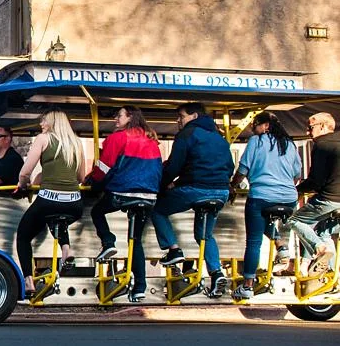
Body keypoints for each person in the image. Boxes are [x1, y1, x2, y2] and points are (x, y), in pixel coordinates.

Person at [150, 102, 234, 297]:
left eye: (181, 116)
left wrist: (162, 185)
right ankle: (216, 273)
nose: (178, 120)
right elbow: (230, 167)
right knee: (205, 235)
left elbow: (174, 166)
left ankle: (174, 250)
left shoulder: (186, 134)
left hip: (195, 189)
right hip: (220, 192)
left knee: (158, 209)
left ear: (194, 116)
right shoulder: (219, 137)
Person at [84, 106, 162, 302]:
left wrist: (94, 184)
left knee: (97, 211)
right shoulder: (151, 140)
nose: (115, 119)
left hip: (123, 191)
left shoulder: (117, 138)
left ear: (130, 117)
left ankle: (108, 242)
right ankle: (140, 287)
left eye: (119, 115)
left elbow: (104, 167)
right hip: (149, 195)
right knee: (135, 241)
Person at [229, 112, 302, 298]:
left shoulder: (256, 141)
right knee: (263, 220)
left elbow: (243, 169)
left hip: (262, 196)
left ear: (266, 125)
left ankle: (247, 286)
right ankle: (281, 245)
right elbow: (297, 175)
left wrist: (232, 186)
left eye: (255, 125)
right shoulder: (290, 144)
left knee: (254, 241)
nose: (252, 129)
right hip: (289, 198)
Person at [15, 109, 86, 296]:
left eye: (44, 120)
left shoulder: (43, 139)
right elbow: (81, 177)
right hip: (75, 203)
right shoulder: (76, 142)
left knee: (23, 236)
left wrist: (23, 185)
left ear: (53, 122)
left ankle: (28, 281)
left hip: (48, 200)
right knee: (56, 219)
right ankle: (66, 249)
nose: (41, 124)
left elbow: (25, 172)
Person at [286, 112, 340, 275]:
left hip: (330, 198)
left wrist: (297, 191)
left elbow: (316, 180)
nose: (307, 132)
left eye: (310, 128)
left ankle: (320, 250)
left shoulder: (322, 145)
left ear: (322, 126)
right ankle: (330, 274)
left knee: (294, 220)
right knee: (323, 231)